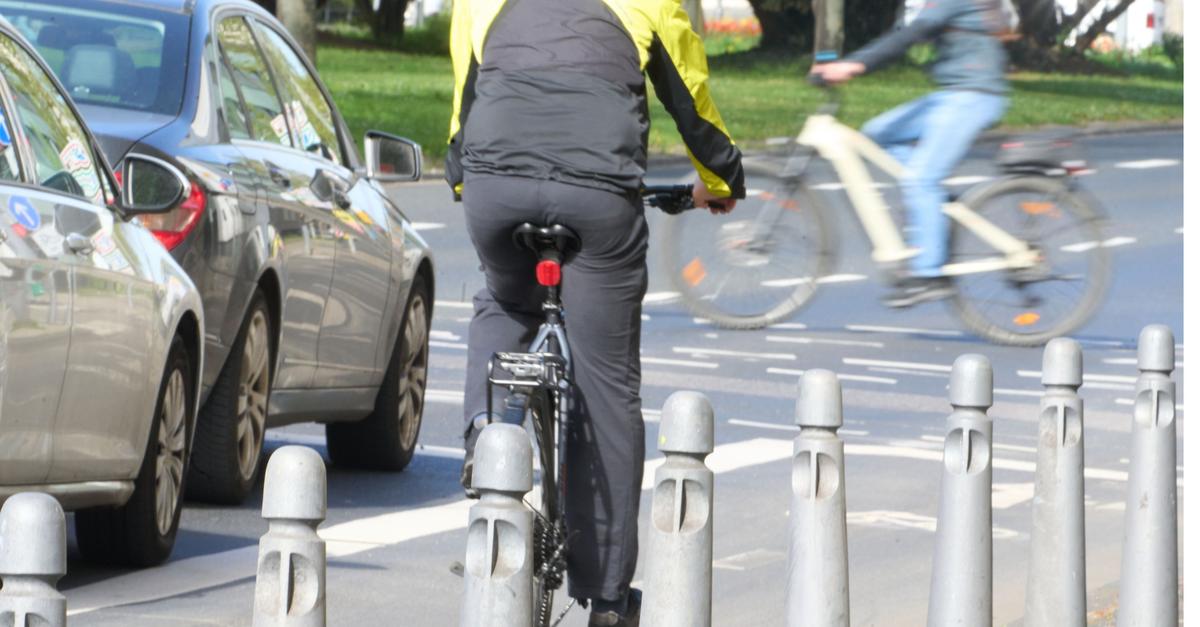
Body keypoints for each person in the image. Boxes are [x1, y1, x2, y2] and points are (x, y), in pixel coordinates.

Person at [446, 0, 744, 624]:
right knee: (606, 385)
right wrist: (720, 179)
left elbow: (464, 99)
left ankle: (485, 437)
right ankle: (607, 599)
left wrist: (463, 179)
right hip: (596, 190)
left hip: (496, 180)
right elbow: (689, 95)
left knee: (505, 298)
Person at [810, 0, 1012, 307]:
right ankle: (934, 204)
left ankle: (928, 275)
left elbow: (911, 35)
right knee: (879, 133)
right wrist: (848, 62)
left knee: (921, 179)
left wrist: (854, 64)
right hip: (952, 94)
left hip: (974, 96)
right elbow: (904, 32)